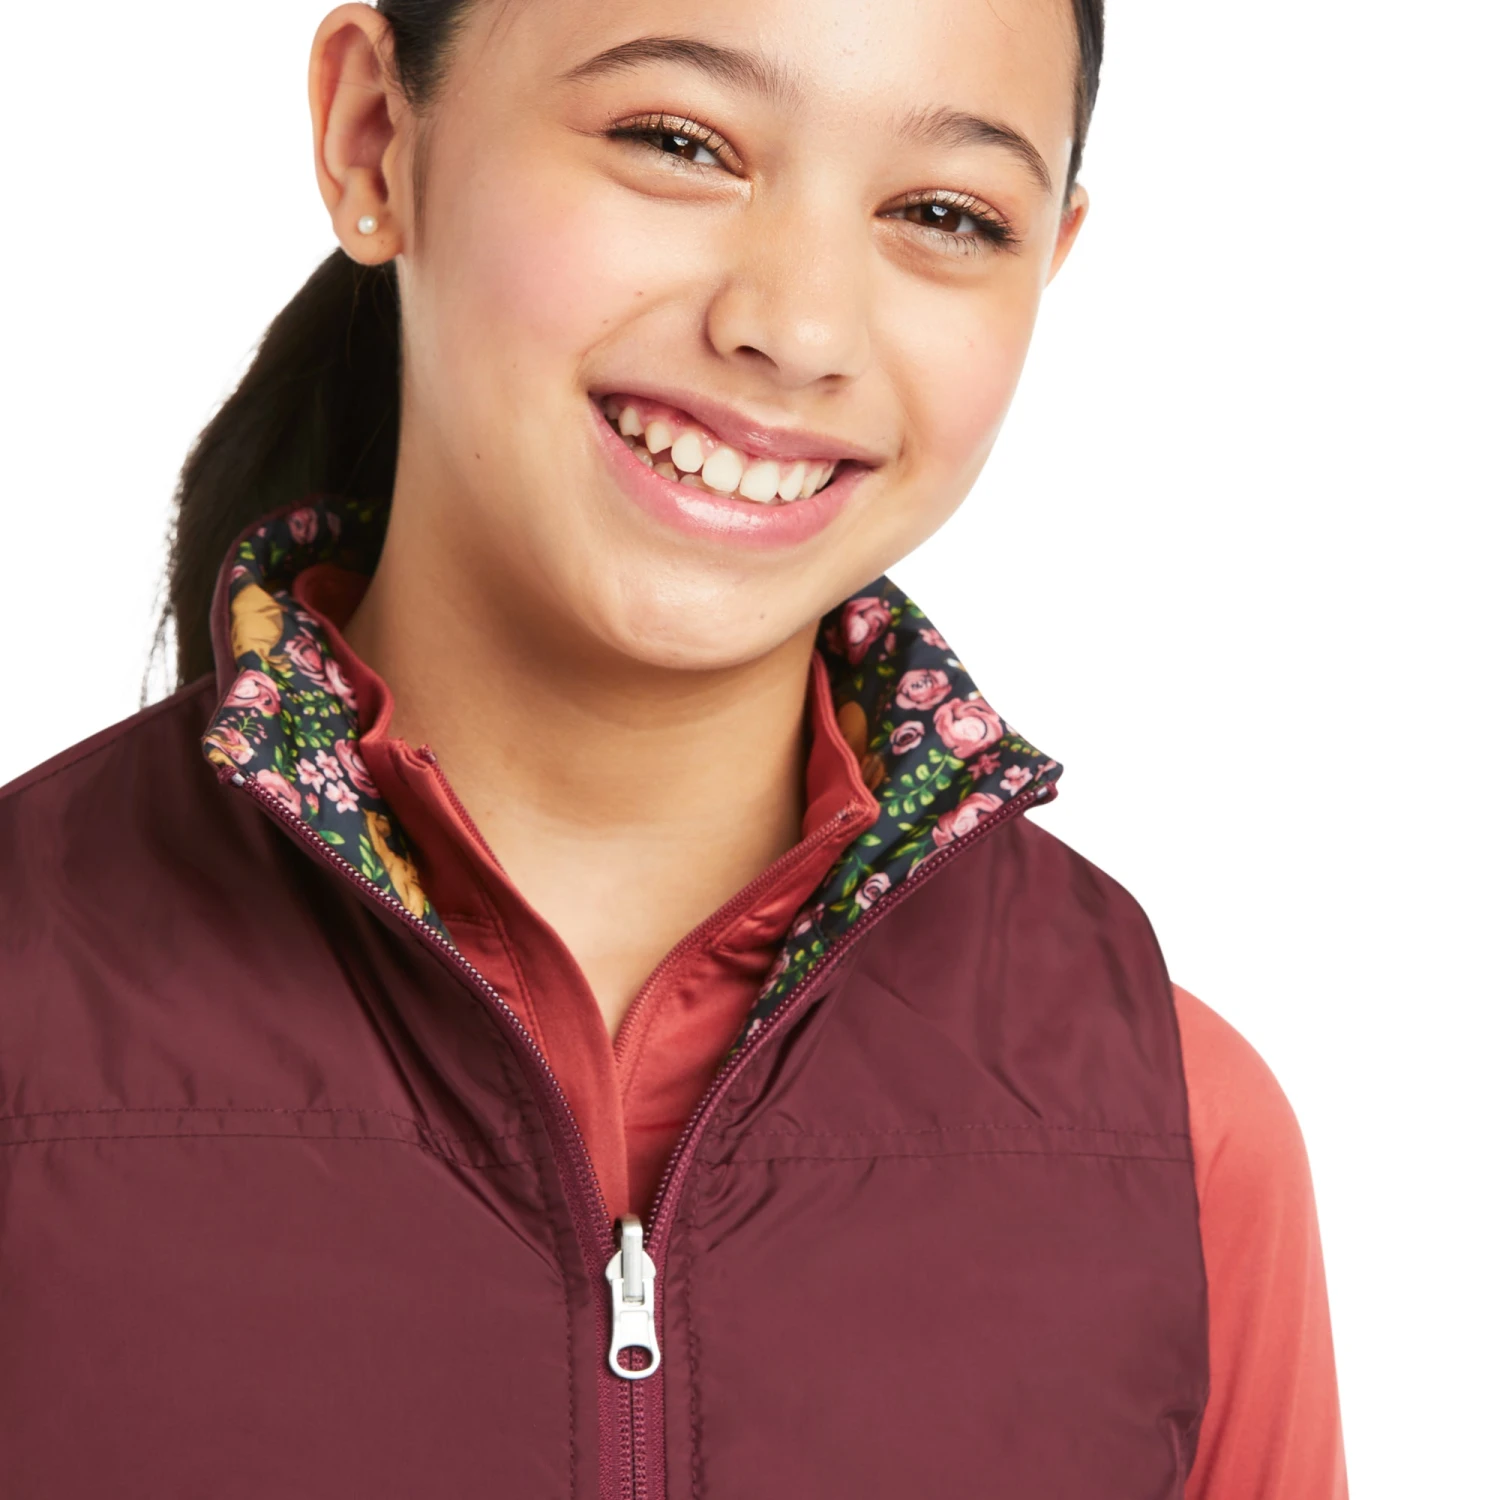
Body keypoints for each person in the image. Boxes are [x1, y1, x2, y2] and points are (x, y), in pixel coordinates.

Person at [0, 1, 1348, 1495]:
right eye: (677, 142)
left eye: (947, 215)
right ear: (373, 134)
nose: (800, 326)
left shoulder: (1179, 1138)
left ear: (1049, 264)